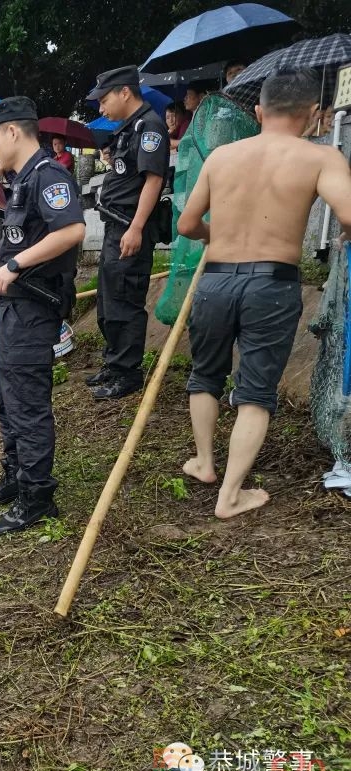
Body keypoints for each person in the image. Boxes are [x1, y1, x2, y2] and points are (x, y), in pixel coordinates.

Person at [177, 69, 351, 519]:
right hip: (272, 284)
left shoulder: (221, 156)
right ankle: (231, 495)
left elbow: (187, 225)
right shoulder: (321, 158)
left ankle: (204, 462)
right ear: (315, 114)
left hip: (215, 279)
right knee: (255, 392)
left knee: (205, 374)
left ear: (258, 111)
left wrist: (219, 233)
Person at [0, 97, 87, 533]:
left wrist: (16, 264)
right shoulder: (21, 180)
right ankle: (15, 475)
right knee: (7, 398)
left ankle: (37, 496)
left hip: (33, 308)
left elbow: (73, 229)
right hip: (12, 309)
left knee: (27, 404)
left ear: (13, 131)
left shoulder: (48, 175)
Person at [86, 65, 171, 399]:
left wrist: (136, 227)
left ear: (125, 92)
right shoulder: (129, 128)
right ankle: (114, 362)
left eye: (104, 100)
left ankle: (127, 372)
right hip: (114, 225)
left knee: (125, 300)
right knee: (109, 302)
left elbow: (153, 179)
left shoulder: (150, 127)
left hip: (129, 227)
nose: (101, 108)